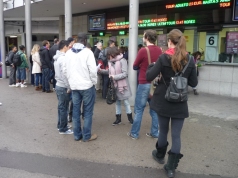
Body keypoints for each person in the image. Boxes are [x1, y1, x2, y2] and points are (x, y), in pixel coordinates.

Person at [146, 29, 198, 178]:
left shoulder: (163, 58)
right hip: (180, 102)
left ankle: (160, 155)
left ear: (170, 41)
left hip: (163, 100)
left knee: (163, 131)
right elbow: (194, 82)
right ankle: (170, 168)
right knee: (176, 135)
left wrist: (152, 66)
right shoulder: (189, 60)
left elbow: (149, 76)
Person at [127, 29, 162, 140]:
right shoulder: (160, 50)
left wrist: (143, 66)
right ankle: (154, 132)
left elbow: (134, 66)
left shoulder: (143, 50)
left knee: (139, 109)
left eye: (143, 36)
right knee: (154, 110)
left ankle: (134, 133)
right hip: (155, 85)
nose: (142, 38)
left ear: (147, 38)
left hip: (144, 83)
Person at [63, 33, 97, 142]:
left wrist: (70, 83)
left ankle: (77, 135)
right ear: (85, 41)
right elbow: (92, 70)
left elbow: (64, 70)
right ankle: (86, 136)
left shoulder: (68, 53)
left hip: (74, 87)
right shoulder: (88, 52)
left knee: (75, 111)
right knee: (87, 112)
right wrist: (94, 82)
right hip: (87, 86)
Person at [99, 47, 133, 125]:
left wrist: (115, 77)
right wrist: (101, 71)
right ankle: (118, 119)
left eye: (109, 55)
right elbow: (110, 71)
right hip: (115, 85)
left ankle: (130, 119)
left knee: (126, 102)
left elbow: (125, 73)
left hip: (123, 86)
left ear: (113, 54)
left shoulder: (122, 60)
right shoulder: (110, 62)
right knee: (117, 102)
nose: (108, 57)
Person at [54, 40, 73, 135]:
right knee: (64, 108)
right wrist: (69, 86)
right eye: (69, 46)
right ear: (65, 46)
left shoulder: (57, 57)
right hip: (63, 86)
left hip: (58, 85)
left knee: (61, 107)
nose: (69, 48)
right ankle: (63, 128)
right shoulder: (63, 58)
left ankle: (61, 125)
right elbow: (65, 74)